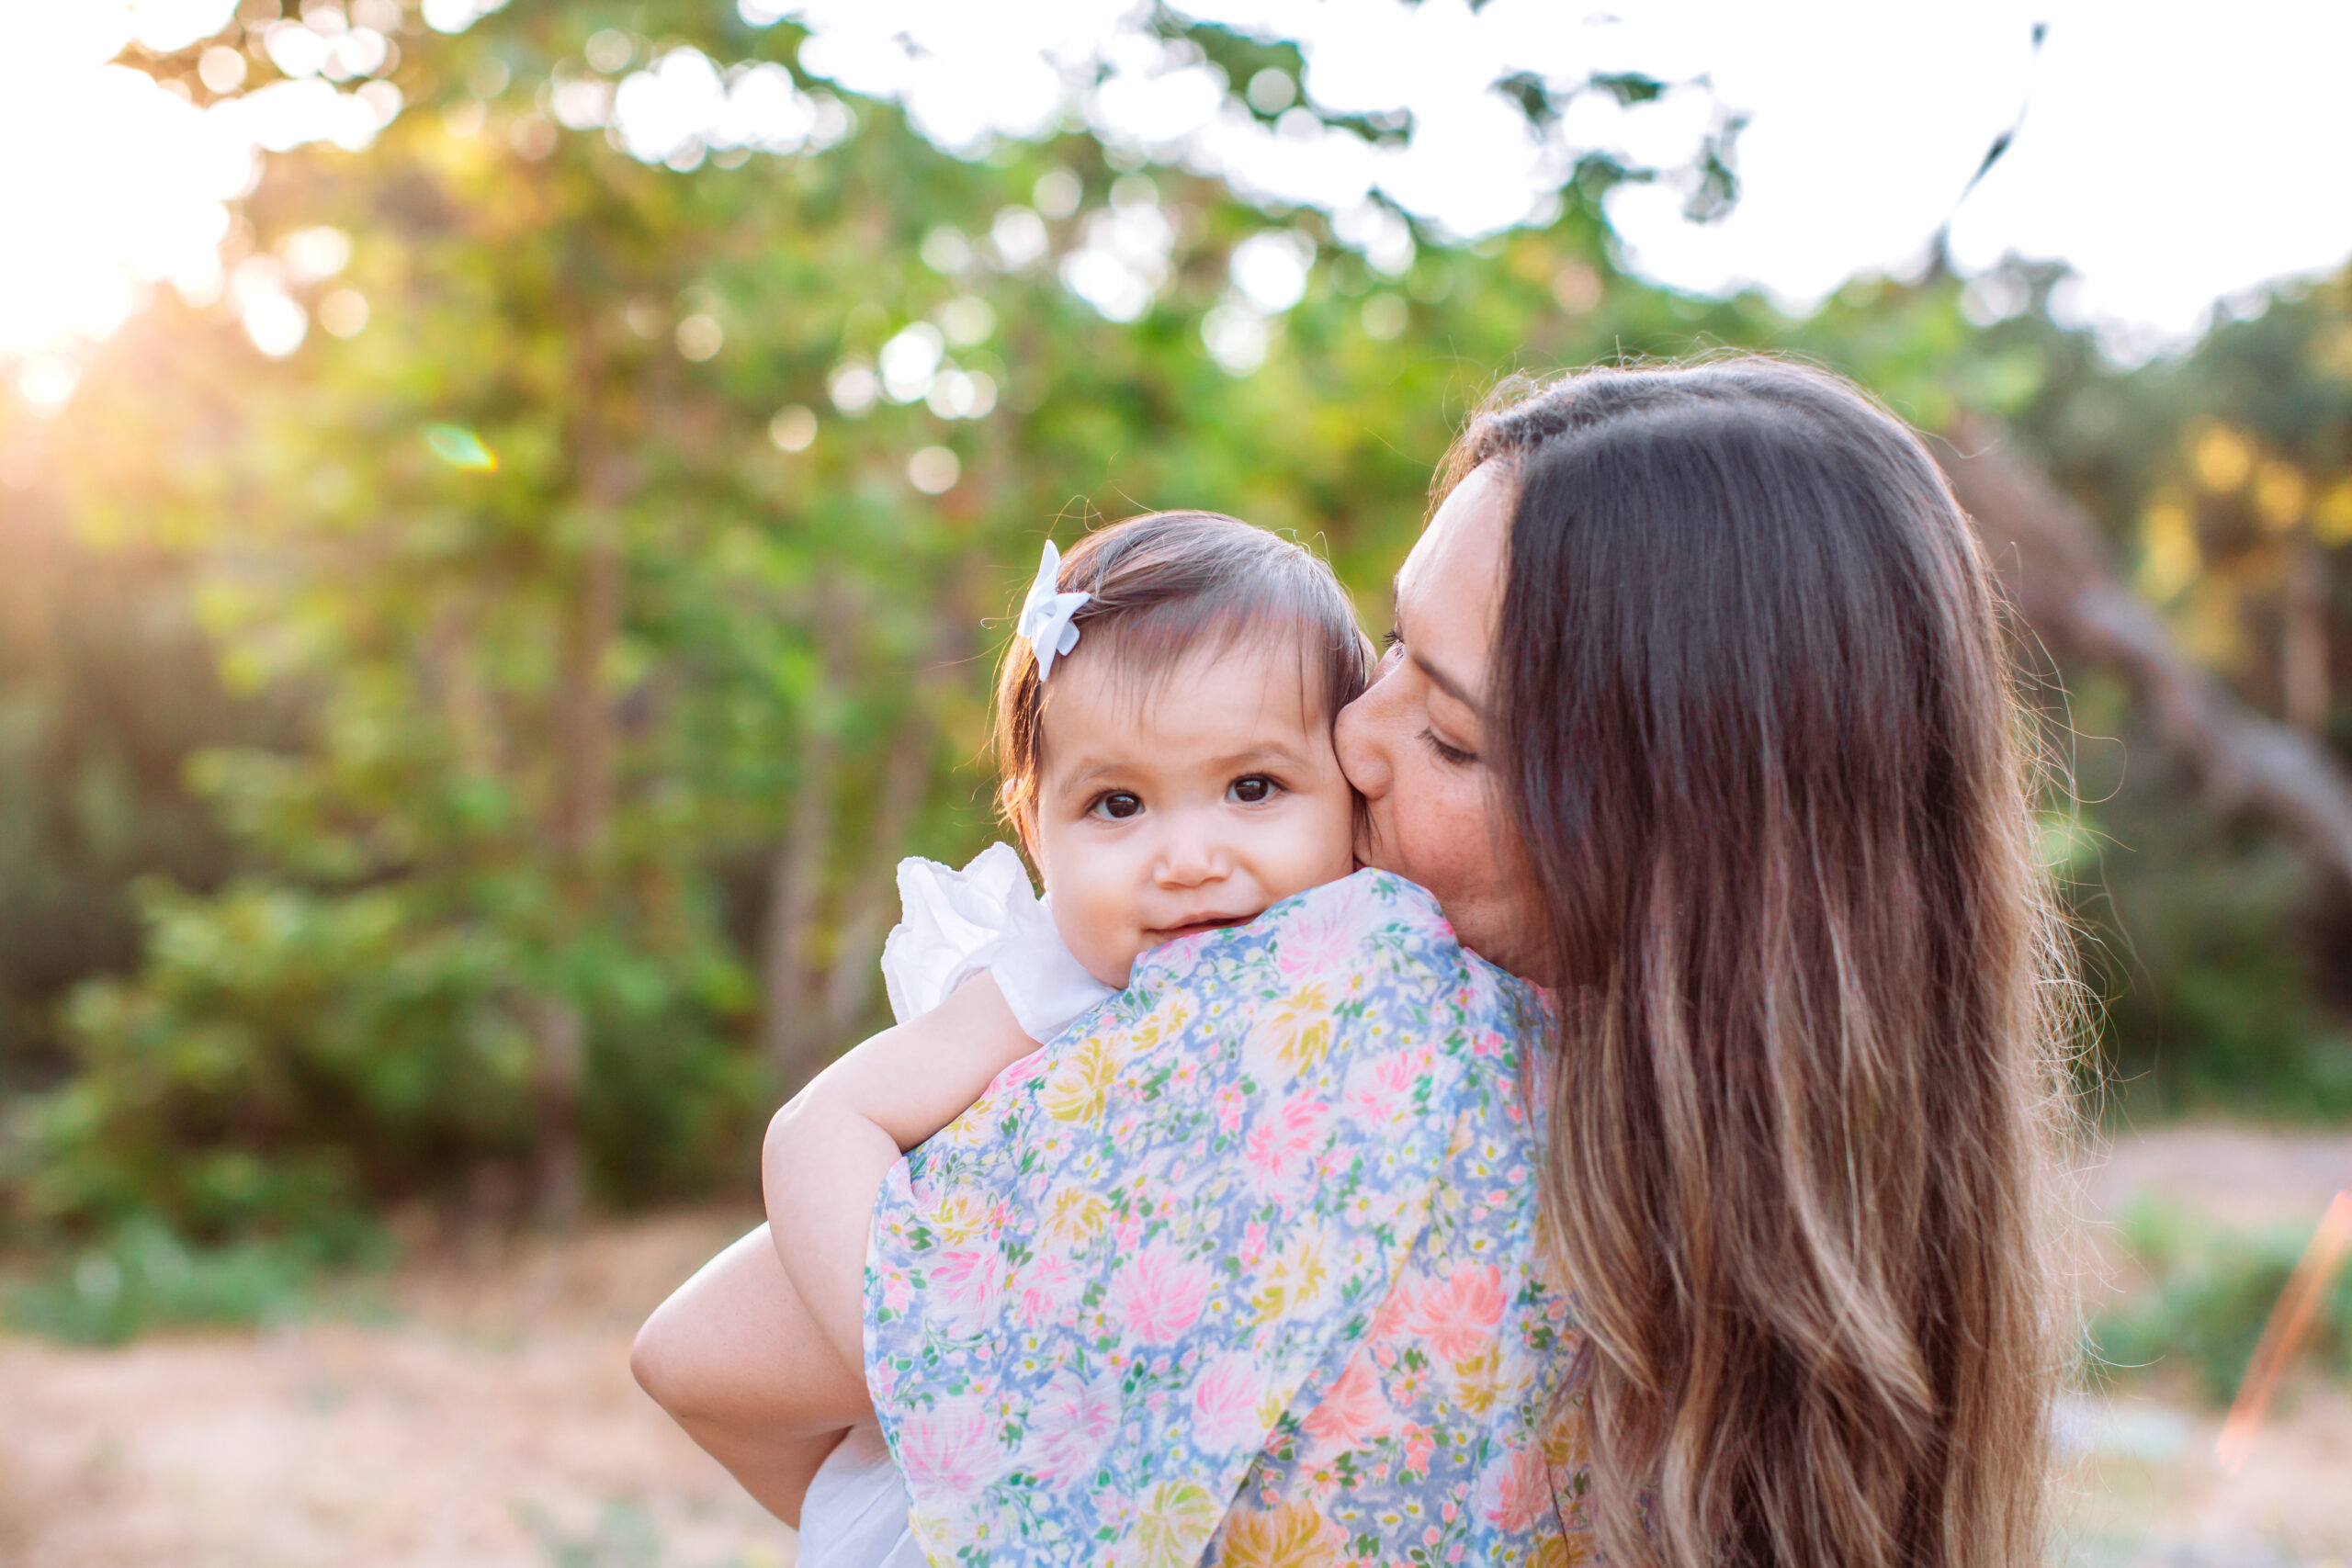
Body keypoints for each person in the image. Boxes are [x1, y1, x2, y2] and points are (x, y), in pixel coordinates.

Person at [633, 358, 2077, 1568]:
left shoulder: (1354, 997)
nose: (1354, 736)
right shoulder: (1840, 1276)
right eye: (1387, 648)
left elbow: (703, 1360)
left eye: (1448, 733)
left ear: (1671, 844)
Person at [763, 510, 1374, 1565]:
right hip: (1006, 1486)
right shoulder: (1046, 980)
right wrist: (928, 1370)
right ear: (1034, 827)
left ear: (1357, 793)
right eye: (1119, 803)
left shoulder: (1375, 961)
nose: (1187, 857)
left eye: (1253, 788)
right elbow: (823, 1124)